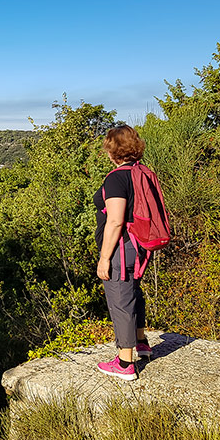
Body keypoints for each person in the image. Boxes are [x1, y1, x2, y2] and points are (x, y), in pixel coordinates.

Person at [94, 125, 152, 381]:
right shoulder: (142, 172)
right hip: (139, 245)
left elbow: (115, 221)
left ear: (112, 150)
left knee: (120, 298)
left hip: (122, 247)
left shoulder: (117, 177)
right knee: (134, 291)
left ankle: (125, 362)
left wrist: (104, 258)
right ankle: (141, 342)